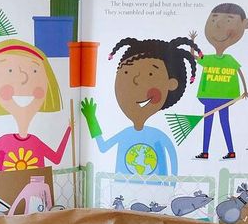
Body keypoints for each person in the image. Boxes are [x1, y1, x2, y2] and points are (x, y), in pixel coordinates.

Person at [81, 37, 198, 177]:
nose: (135, 81)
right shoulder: (127, 134)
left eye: (150, 74)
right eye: (125, 73)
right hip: (122, 191)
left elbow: (172, 155)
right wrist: (91, 118)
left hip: (156, 192)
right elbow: (103, 146)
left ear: (171, 84)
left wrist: (171, 183)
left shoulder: (157, 136)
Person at [0, 40, 71, 172]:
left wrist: (68, 130)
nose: (23, 78)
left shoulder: (35, 141)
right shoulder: (3, 142)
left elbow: (56, 158)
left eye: (34, 70)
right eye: (9, 71)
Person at [190, 4, 248, 160]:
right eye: (214, 19)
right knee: (208, 124)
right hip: (209, 97)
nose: (218, 25)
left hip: (224, 97)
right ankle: (205, 152)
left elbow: (240, 73)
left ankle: (231, 151)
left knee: (224, 123)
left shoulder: (230, 60)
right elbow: (194, 57)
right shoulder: (208, 59)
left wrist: (244, 90)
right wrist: (192, 42)